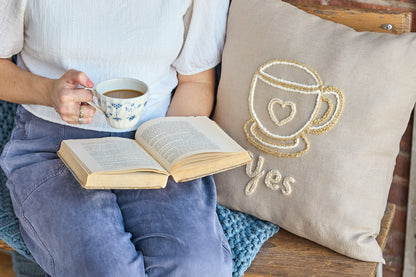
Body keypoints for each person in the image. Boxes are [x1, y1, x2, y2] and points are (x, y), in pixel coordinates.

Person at [0, 1, 232, 276]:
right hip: (53, 145)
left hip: (153, 148)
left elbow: (196, 81)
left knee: (199, 267)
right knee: (108, 269)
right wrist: (48, 92)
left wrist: (169, 145)